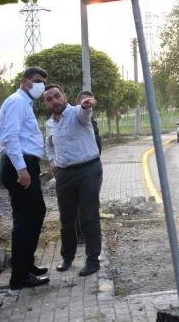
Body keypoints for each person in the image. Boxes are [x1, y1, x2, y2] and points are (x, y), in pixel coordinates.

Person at [0, 66, 50, 292]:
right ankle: (19, 277)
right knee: (25, 220)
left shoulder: (24, 103)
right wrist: (21, 168)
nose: (41, 86)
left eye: (43, 82)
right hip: (19, 164)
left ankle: (26, 265)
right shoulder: (17, 102)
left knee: (36, 213)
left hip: (25, 163)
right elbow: (10, 137)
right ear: (24, 81)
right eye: (37, 81)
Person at [42, 84, 102, 277]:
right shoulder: (49, 124)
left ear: (64, 96)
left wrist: (86, 105)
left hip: (88, 171)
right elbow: (49, 144)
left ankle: (92, 261)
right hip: (64, 175)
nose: (54, 101)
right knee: (67, 219)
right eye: (49, 99)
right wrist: (52, 160)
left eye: (56, 96)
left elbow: (85, 112)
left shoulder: (77, 112)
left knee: (89, 217)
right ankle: (67, 257)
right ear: (46, 104)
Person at [74, 91, 101, 244]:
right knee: (80, 205)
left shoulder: (91, 118)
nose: (88, 103)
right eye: (85, 101)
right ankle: (80, 234)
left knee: (91, 203)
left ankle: (88, 232)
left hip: (93, 166)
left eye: (91, 100)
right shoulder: (76, 118)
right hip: (81, 168)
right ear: (78, 103)